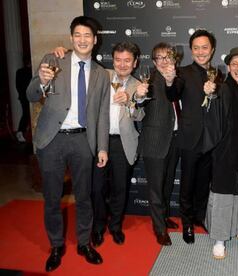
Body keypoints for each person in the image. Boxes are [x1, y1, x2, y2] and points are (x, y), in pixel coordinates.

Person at [26, 16, 110, 272]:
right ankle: (55, 245)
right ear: (71, 37)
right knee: (52, 197)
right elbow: (31, 95)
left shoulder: (101, 74)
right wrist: (41, 80)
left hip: (84, 140)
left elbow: (103, 115)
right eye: (78, 35)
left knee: (84, 196)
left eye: (88, 35)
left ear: (95, 40)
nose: (83, 39)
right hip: (52, 140)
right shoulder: (54, 61)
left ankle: (84, 243)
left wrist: (103, 146)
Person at [52, 41, 147, 247]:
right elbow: (79, 62)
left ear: (135, 62)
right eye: (118, 60)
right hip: (97, 142)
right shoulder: (101, 75)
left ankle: (115, 227)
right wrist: (64, 51)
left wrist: (132, 102)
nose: (122, 65)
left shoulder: (137, 85)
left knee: (120, 189)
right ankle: (98, 227)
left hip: (123, 144)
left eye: (127, 61)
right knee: (96, 189)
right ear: (112, 60)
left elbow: (139, 116)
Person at [165, 29, 222, 244]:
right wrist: (170, 81)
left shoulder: (218, 73)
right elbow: (173, 94)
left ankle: (200, 217)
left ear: (212, 49)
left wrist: (214, 93)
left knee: (204, 183)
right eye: (196, 48)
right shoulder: (182, 73)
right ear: (191, 50)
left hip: (211, 139)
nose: (201, 52)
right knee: (187, 184)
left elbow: (219, 104)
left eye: (204, 47)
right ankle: (187, 223)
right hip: (190, 138)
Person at [204, 47, 238, 259]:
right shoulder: (224, 88)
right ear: (228, 67)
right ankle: (219, 239)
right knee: (224, 194)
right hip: (225, 150)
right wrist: (210, 94)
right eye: (234, 64)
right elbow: (213, 107)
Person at [138, 42, 181, 246]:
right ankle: (159, 228)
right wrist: (139, 96)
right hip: (154, 142)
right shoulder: (148, 81)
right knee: (156, 188)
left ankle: (163, 218)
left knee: (167, 184)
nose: (164, 61)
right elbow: (140, 100)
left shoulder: (178, 79)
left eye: (168, 57)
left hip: (174, 140)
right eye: (160, 58)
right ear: (154, 62)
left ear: (174, 59)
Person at [15, 55, 32, 142]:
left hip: (23, 97)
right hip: (28, 96)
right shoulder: (31, 71)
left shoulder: (19, 71)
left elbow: (17, 86)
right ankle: (20, 131)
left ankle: (22, 131)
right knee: (26, 115)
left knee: (26, 114)